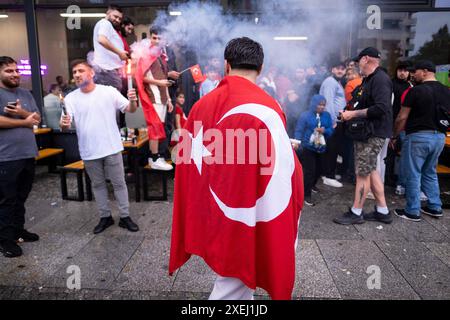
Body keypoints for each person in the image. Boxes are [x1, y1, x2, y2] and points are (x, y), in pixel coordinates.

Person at [169, 37, 304, 300]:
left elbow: (186, 160)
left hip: (217, 203)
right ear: (261, 68)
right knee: (236, 276)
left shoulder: (201, 105)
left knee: (235, 276)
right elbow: (279, 168)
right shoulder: (270, 107)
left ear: (226, 65)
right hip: (250, 206)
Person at [60, 59, 139, 234]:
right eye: (74, 72)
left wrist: (133, 101)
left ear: (92, 73)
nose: (77, 75)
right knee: (98, 185)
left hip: (111, 147)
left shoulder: (108, 91)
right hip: (89, 150)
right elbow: (65, 124)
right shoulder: (71, 98)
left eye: (81, 70)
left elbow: (130, 109)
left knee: (119, 183)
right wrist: (64, 124)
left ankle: (125, 217)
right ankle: (105, 217)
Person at [334, 47, 393, 225]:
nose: (358, 64)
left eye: (359, 60)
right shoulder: (370, 79)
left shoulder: (380, 79)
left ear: (366, 59)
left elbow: (382, 107)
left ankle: (356, 212)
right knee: (371, 170)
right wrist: (348, 112)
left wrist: (353, 114)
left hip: (372, 133)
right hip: (369, 133)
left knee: (362, 173)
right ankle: (383, 211)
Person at [393, 60, 450, 221]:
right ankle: (435, 206)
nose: (413, 74)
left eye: (415, 71)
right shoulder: (447, 91)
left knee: (413, 173)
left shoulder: (416, 91)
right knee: (430, 172)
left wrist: (395, 135)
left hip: (418, 136)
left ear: (425, 71)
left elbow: (402, 117)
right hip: (439, 137)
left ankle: (412, 211)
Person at [0, 56, 41, 258]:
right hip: (5, 157)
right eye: (9, 71)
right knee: (6, 200)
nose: (15, 74)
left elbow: (37, 118)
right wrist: (24, 121)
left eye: (16, 70)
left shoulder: (25, 93)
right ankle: (5, 240)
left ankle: (18, 230)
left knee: (20, 198)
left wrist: (21, 112)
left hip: (27, 154)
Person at [141, 27, 174, 171]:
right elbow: (141, 77)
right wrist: (160, 83)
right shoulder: (146, 54)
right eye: (154, 38)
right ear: (150, 38)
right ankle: (154, 158)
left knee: (159, 128)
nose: (156, 41)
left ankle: (157, 156)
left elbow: (163, 78)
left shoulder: (160, 55)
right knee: (154, 128)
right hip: (153, 97)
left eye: (159, 38)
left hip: (162, 98)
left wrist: (169, 100)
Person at [294, 94, 334, 206]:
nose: (321, 107)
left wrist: (324, 130)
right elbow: (299, 130)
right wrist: (297, 142)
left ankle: (312, 185)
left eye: (323, 105)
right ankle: (306, 194)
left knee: (320, 169)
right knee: (309, 171)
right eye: (319, 104)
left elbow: (331, 130)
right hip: (308, 147)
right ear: (313, 104)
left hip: (322, 147)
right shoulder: (305, 115)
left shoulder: (327, 115)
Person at [319, 61, 347, 188]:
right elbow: (328, 102)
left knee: (332, 149)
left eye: (343, 69)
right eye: (338, 68)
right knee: (331, 149)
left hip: (336, 120)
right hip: (332, 121)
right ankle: (328, 176)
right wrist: (332, 122)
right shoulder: (330, 82)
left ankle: (328, 173)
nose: (340, 71)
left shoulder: (336, 83)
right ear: (332, 69)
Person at [92, 5, 128, 91]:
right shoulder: (105, 23)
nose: (117, 20)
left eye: (120, 19)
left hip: (106, 71)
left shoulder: (105, 25)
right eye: (115, 16)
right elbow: (102, 40)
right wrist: (120, 53)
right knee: (112, 101)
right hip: (106, 71)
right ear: (108, 13)